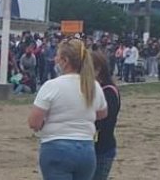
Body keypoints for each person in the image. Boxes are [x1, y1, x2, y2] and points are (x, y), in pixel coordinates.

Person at [28, 39, 107, 180]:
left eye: (57, 57)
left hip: (56, 146)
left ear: (65, 61)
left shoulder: (51, 86)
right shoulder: (93, 86)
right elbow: (102, 113)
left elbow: (34, 122)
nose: (55, 60)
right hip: (86, 148)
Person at [91, 51, 121, 180]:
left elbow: (106, 121)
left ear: (97, 70)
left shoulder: (108, 91)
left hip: (102, 148)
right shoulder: (93, 88)